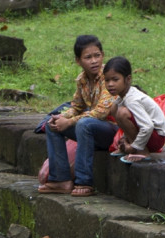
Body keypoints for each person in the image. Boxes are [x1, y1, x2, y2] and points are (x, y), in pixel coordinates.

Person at [37, 35, 118, 198]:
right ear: (78, 61)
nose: (94, 61)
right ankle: (60, 179)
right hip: (90, 129)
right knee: (52, 123)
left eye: (97, 55)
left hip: (113, 132)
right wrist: (61, 118)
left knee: (84, 124)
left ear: (103, 55)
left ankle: (84, 182)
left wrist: (70, 122)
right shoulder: (82, 80)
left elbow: (101, 112)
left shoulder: (108, 77)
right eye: (88, 57)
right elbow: (76, 107)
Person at [102, 56, 165, 164]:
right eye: (107, 80)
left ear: (128, 79)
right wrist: (125, 139)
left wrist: (135, 147)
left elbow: (148, 126)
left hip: (156, 137)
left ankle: (141, 151)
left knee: (122, 112)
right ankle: (130, 145)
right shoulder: (122, 98)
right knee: (114, 108)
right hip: (148, 136)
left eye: (115, 80)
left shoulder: (132, 99)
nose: (110, 84)